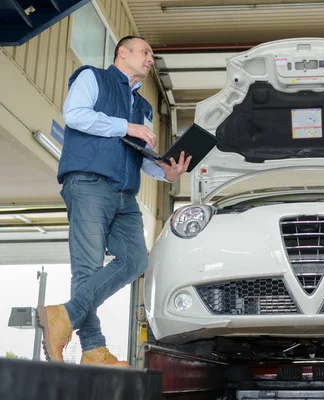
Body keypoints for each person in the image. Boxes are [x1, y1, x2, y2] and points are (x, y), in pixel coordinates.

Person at [36, 36, 191, 367]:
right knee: (89, 267)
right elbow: (75, 115)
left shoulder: (143, 107)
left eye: (151, 54)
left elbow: (141, 153)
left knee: (135, 261)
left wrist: (167, 173)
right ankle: (93, 349)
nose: (151, 59)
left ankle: (65, 315)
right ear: (123, 52)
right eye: (145, 52)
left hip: (125, 193)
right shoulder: (92, 77)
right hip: (89, 181)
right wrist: (127, 125)